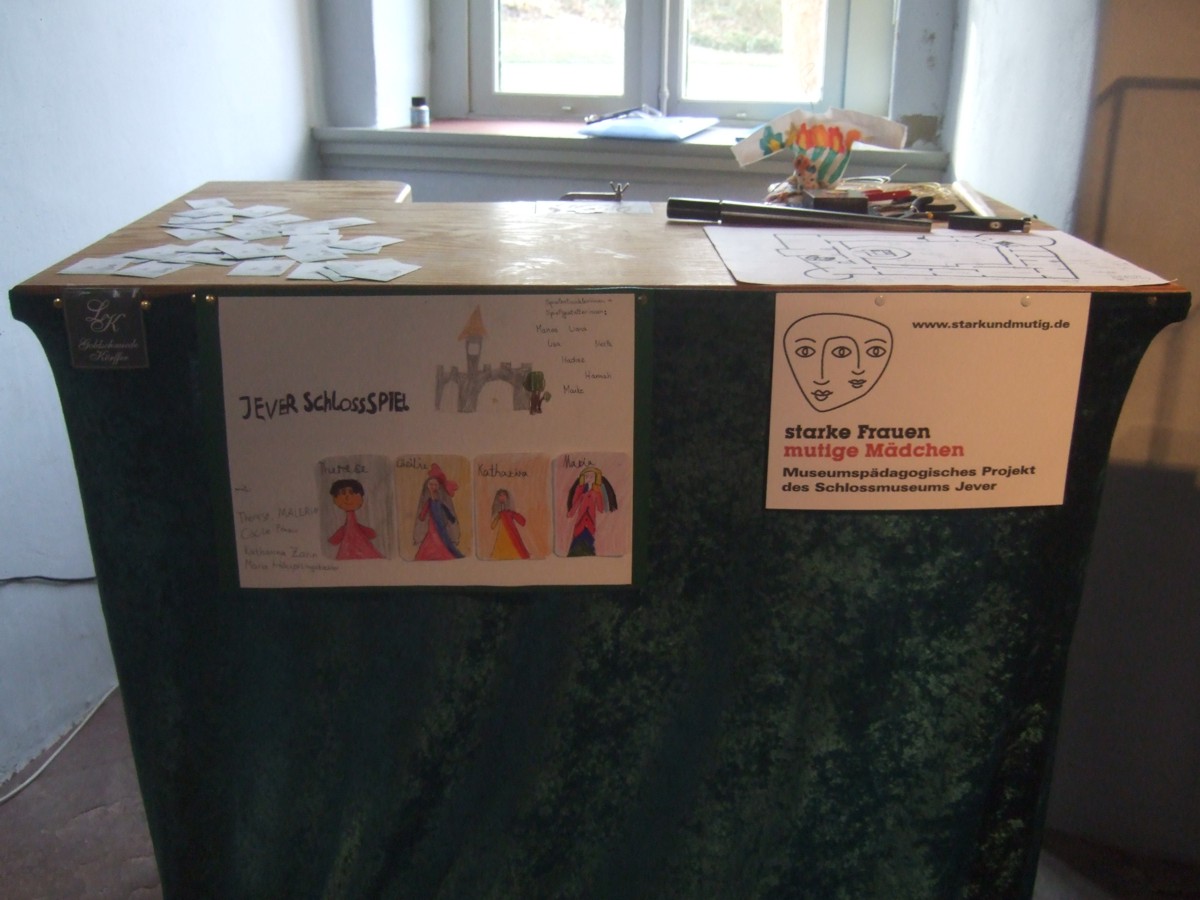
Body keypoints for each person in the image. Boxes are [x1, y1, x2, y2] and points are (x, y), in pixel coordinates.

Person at [413, 463, 464, 560]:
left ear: (438, 486)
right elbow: (423, 513)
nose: (433, 487)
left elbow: (446, 510)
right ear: (427, 486)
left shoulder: (440, 501)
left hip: (441, 524)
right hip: (432, 524)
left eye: (435, 485)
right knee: (433, 538)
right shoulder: (429, 501)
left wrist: (450, 517)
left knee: (442, 539)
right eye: (431, 484)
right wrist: (422, 515)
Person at [566, 466, 617, 557]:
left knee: (588, 546)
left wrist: (598, 490)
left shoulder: (596, 493)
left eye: (592, 476)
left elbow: (600, 508)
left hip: (590, 525)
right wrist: (570, 513)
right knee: (577, 546)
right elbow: (574, 505)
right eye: (587, 476)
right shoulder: (581, 493)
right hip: (580, 525)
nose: (589, 478)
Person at [327, 479, 384, 560]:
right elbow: (372, 534)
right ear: (335, 498)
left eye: (352, 493)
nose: (347, 497)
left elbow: (334, 541)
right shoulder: (346, 528)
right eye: (343, 493)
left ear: (361, 497)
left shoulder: (351, 528)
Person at [489, 488, 531, 560]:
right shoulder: (498, 514)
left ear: (507, 497)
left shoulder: (510, 513)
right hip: (501, 538)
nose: (502, 497)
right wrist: (498, 516)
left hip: (511, 535)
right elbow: (492, 526)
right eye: (500, 495)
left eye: (504, 495)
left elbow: (523, 522)